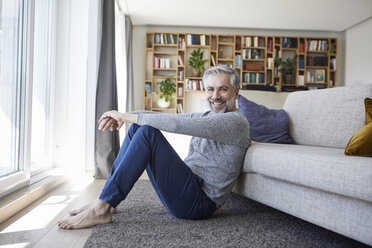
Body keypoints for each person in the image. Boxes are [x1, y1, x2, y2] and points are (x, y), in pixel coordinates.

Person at [57, 65, 250, 229]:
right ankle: (106, 200)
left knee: (148, 133)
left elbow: (177, 125)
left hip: (198, 203)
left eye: (223, 89)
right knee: (138, 127)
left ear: (236, 92)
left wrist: (124, 116)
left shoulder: (235, 122)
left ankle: (101, 208)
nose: (215, 96)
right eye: (210, 89)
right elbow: (169, 118)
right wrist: (123, 115)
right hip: (189, 185)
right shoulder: (208, 116)